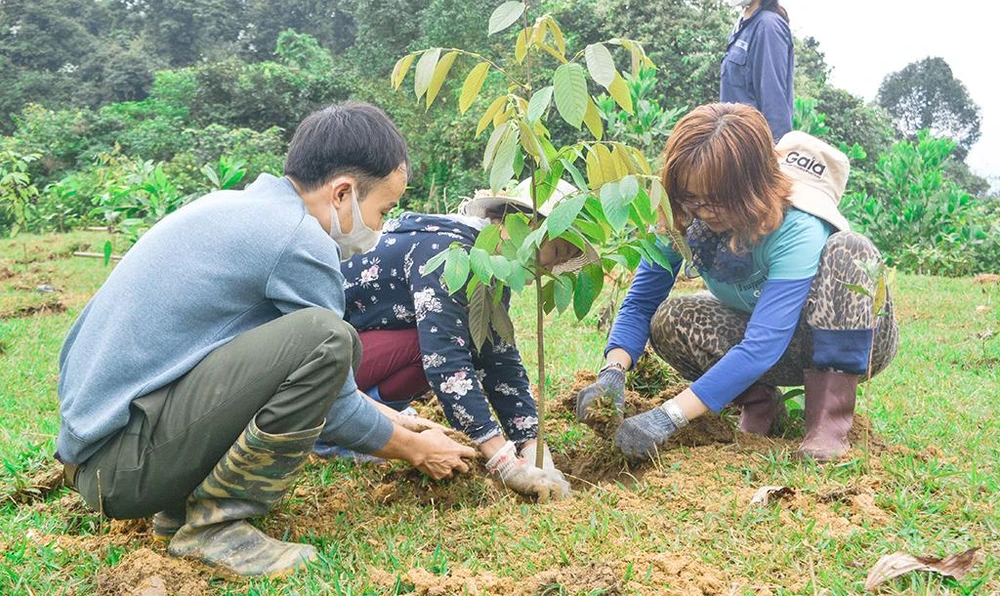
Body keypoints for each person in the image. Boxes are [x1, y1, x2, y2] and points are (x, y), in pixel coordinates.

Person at [55, 102, 476, 578]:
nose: (380, 226)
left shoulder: (234, 206)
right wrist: (417, 448)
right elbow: (333, 405)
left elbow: (253, 370)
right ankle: (216, 527)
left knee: (325, 343)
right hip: (123, 471)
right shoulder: (298, 239)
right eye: (383, 209)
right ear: (342, 193)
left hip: (101, 454)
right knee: (328, 339)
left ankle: (179, 508)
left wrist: (399, 421)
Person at [576, 103, 898, 462]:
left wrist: (667, 417)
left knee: (851, 250)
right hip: (773, 342)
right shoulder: (683, 215)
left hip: (848, 343)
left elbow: (762, 344)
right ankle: (760, 403)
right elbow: (641, 301)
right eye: (692, 198)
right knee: (671, 317)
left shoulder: (799, 226)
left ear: (749, 189)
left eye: (717, 200)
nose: (703, 211)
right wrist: (612, 372)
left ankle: (828, 423)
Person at [328, 180, 597, 500]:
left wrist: (532, 444)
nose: (550, 267)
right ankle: (335, 431)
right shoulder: (447, 250)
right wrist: (501, 458)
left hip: (365, 353)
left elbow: (498, 357)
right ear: (523, 226)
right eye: (554, 252)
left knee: (462, 338)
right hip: (326, 365)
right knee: (436, 342)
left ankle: (373, 420)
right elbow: (444, 360)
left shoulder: (490, 267)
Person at [708, 0, 794, 141]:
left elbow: (774, 99)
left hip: (754, 148)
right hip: (733, 144)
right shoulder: (742, 26)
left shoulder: (768, 26)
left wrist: (775, 157)